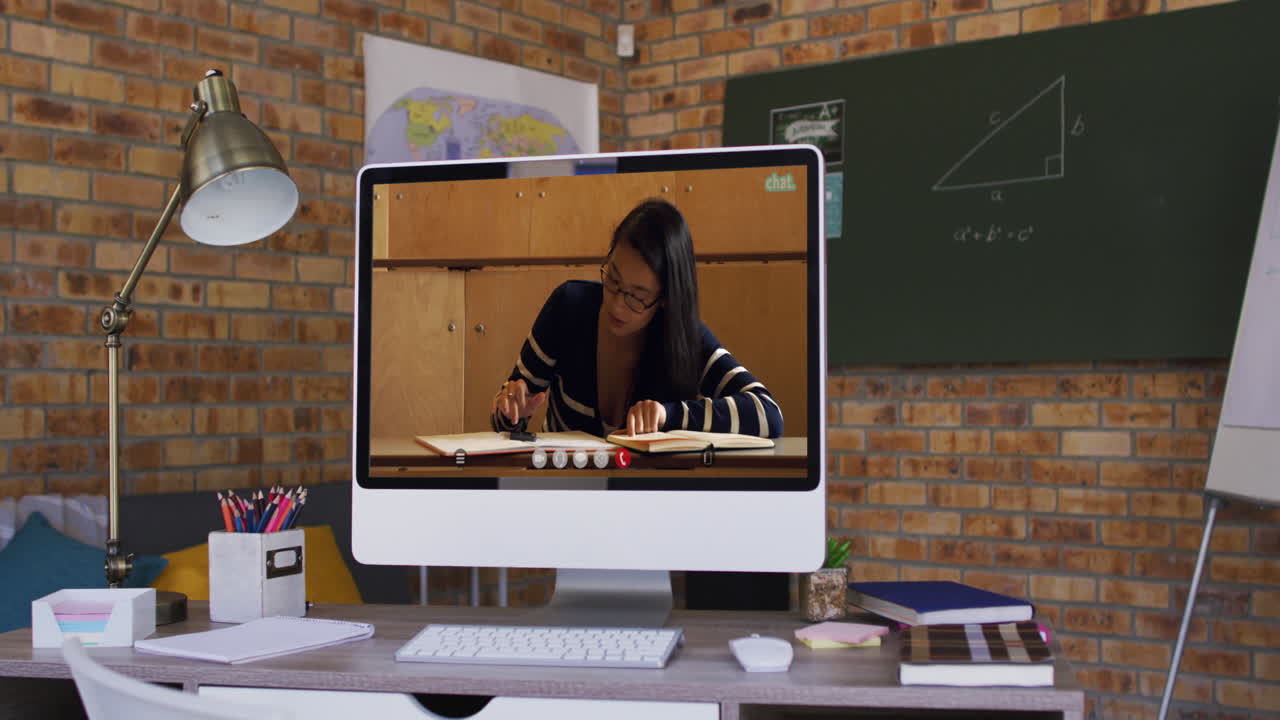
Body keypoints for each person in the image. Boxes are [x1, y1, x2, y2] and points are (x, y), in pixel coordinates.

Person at [491, 197, 783, 438]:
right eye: (613, 281)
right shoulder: (569, 307)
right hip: (567, 491)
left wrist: (667, 414)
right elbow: (503, 426)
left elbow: (768, 414)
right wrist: (511, 412)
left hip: (648, 501)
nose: (617, 305)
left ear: (666, 299)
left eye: (637, 297)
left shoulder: (684, 338)